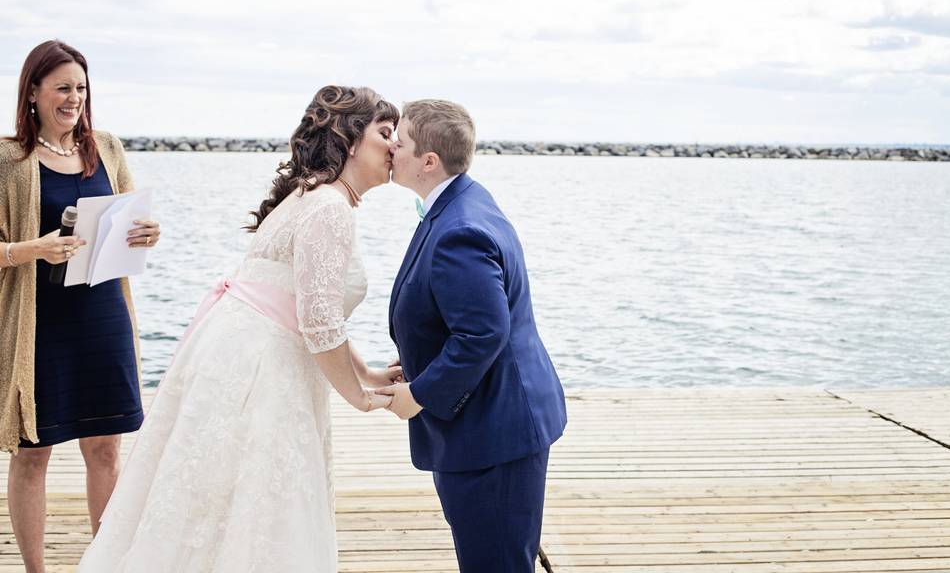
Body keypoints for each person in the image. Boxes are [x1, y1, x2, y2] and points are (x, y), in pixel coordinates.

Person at [76, 85, 402, 572]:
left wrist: (369, 372)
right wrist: (359, 396)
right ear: (351, 138)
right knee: (258, 503)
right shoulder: (330, 207)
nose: (395, 145)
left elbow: (307, 307)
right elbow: (316, 321)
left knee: (214, 500)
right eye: (385, 132)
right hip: (264, 372)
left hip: (238, 352)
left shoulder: (308, 195)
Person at [377, 99, 567, 572]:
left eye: (399, 143)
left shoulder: (461, 229)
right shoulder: (462, 200)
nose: (390, 150)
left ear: (428, 161)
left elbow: (483, 334)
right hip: (491, 424)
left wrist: (419, 393)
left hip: (495, 434)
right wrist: (420, 358)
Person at [0, 40, 161, 573]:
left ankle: (104, 561)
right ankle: (35, 571)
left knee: (106, 448)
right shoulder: (7, 160)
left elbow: (131, 215)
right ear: (33, 93)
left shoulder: (107, 148)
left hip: (102, 314)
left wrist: (148, 233)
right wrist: (34, 249)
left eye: (82, 88)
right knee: (33, 452)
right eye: (63, 87)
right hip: (39, 324)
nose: (75, 99)